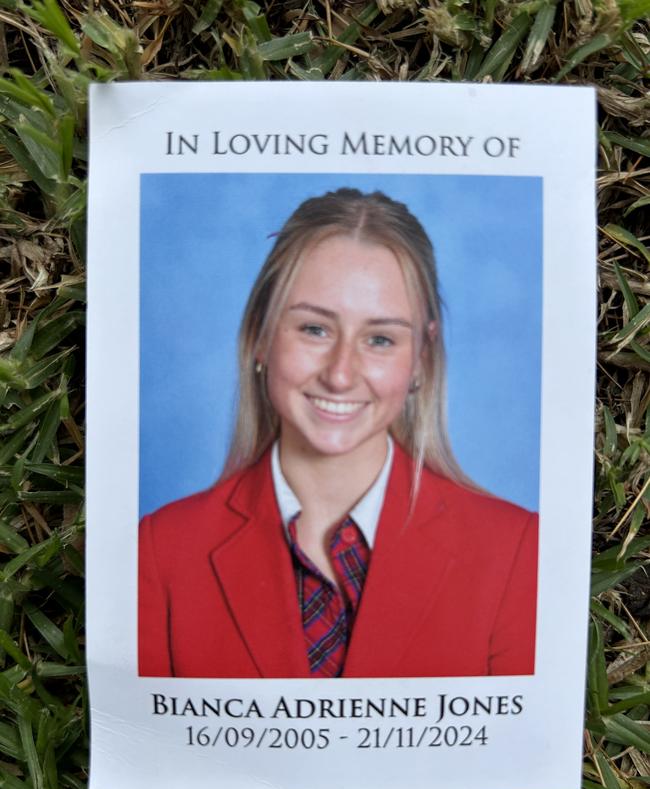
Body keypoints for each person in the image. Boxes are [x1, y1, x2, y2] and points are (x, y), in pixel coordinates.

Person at [138, 188, 537, 678]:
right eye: (314, 329)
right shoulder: (160, 552)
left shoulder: (516, 552)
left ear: (422, 359)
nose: (341, 374)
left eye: (380, 339)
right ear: (261, 335)